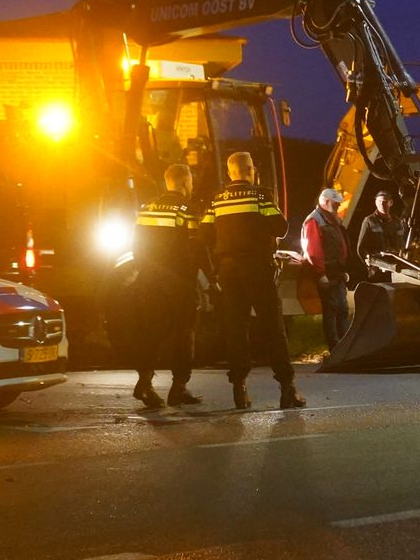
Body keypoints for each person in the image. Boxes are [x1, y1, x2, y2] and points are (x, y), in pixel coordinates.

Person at [202, 151, 305, 409]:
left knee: (236, 329)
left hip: (227, 271)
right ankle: (287, 389)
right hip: (257, 269)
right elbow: (281, 228)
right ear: (251, 170)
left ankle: (239, 389)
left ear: (230, 172)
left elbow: (204, 234)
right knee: (273, 329)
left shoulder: (216, 200)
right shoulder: (260, 195)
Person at [131, 164, 204, 410]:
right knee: (184, 334)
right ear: (185, 182)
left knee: (151, 332)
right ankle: (179, 387)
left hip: (149, 280)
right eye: (191, 181)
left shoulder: (147, 208)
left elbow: (136, 246)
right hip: (179, 282)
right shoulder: (188, 210)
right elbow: (196, 248)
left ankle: (144, 383)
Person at [301, 187, 354, 349]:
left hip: (336, 272)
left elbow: (339, 245)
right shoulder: (314, 221)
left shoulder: (330, 219)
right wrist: (321, 274)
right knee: (332, 310)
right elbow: (314, 251)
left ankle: (343, 347)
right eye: (335, 204)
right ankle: (336, 348)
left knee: (342, 309)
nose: (338, 207)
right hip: (327, 273)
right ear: (325, 202)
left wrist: (343, 269)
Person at [357, 188, 406, 267]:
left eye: (385, 202)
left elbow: (402, 243)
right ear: (376, 203)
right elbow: (361, 248)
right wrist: (370, 265)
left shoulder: (397, 222)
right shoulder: (369, 221)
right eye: (379, 201)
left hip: (396, 266)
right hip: (379, 267)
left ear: (391, 203)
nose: (382, 204)